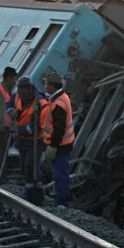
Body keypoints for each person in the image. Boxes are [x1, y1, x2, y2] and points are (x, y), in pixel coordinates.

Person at [10, 77, 48, 204]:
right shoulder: (17, 96)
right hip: (22, 140)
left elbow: (36, 127)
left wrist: (18, 129)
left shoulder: (41, 103)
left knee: (30, 166)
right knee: (24, 168)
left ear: (30, 89)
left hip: (35, 141)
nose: (21, 96)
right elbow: (8, 105)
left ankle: (33, 193)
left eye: (24, 93)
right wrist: (12, 112)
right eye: (19, 93)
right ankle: (34, 191)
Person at [42, 72, 75, 208]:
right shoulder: (61, 98)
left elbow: (59, 128)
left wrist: (53, 146)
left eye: (47, 84)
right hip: (64, 143)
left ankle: (62, 202)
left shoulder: (59, 103)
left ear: (52, 85)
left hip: (61, 145)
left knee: (60, 174)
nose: (45, 86)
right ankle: (61, 199)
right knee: (61, 172)